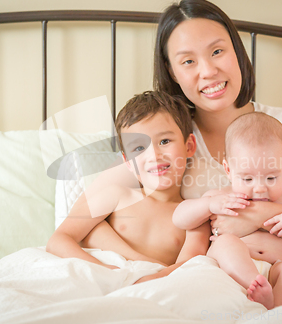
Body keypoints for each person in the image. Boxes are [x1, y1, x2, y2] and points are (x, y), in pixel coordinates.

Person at [151, 0, 282, 257]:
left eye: (217, 51)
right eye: (188, 61)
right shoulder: (170, 140)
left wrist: (260, 215)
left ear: (237, 51)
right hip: (214, 275)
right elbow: (113, 207)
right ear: (171, 72)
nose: (208, 71)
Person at [173, 112, 282, 309]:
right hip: (236, 270)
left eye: (271, 178)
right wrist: (208, 205)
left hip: (279, 267)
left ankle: (274, 303)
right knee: (226, 243)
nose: (260, 188)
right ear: (228, 170)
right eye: (247, 179)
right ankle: (253, 282)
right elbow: (180, 218)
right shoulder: (221, 197)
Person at [46, 91, 210, 283]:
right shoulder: (116, 196)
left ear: (189, 146)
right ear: (128, 162)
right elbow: (60, 239)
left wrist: (148, 280)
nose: (154, 155)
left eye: (164, 141)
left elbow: (188, 266)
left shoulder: (194, 215)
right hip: (103, 277)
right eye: (139, 148)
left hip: (154, 286)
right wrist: (104, 271)